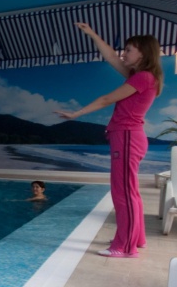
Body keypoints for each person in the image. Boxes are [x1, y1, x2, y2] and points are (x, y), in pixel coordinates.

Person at [55, 22, 163, 258]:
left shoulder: (143, 77)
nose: (124, 54)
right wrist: (92, 34)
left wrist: (76, 114)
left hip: (126, 137)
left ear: (143, 53)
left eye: (129, 50)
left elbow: (106, 99)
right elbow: (112, 58)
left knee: (122, 192)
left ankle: (124, 247)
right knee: (130, 190)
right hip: (128, 137)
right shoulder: (142, 76)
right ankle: (137, 238)